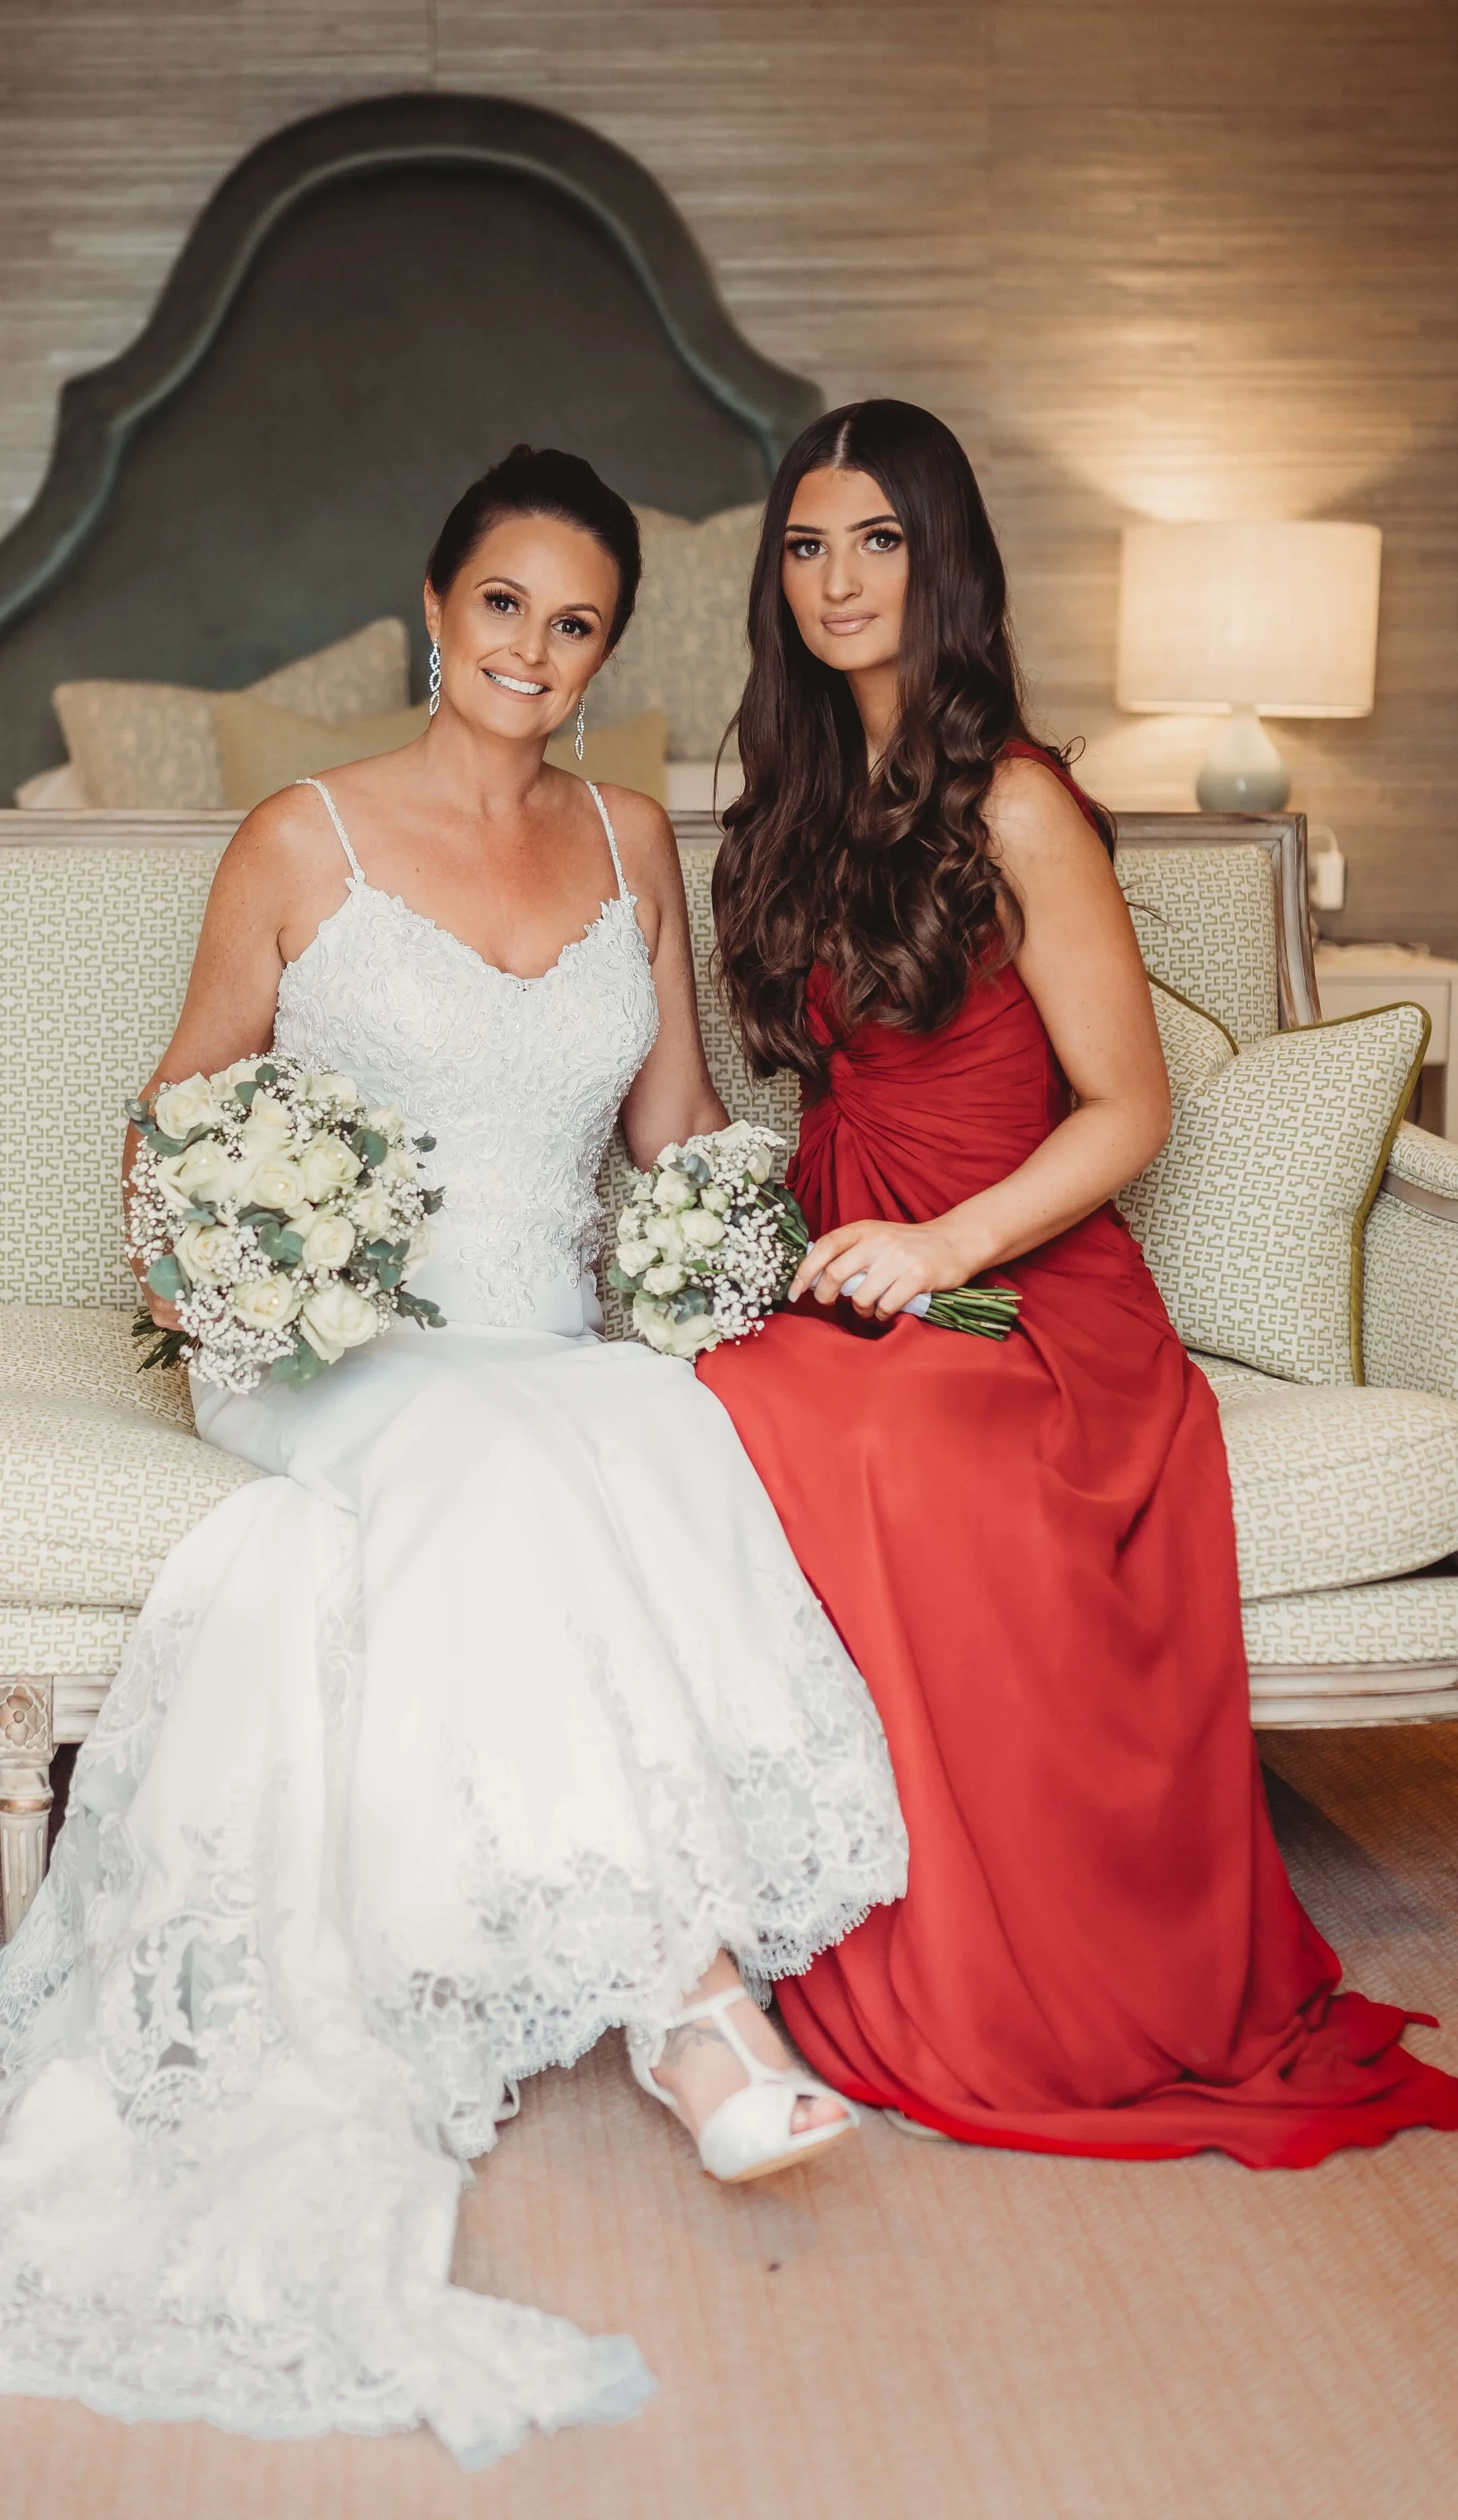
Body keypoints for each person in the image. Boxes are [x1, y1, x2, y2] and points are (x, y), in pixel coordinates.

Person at [0, 447, 906, 2465]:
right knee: (498, 1447)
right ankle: (690, 2009)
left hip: (543, 1337)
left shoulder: (626, 842)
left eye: (574, 619)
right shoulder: (299, 840)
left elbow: (671, 1125)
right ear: (436, 609)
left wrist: (740, 1244)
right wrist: (244, 1257)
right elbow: (168, 1138)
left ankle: (699, 1975)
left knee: (648, 1416)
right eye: (500, 603)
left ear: (606, 651)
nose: (531, 647)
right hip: (332, 1350)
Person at [701, 396, 1458, 2167]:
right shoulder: (800, 799)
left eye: (875, 539)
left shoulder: (1017, 799)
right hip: (854, 1254)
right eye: (804, 545)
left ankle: (985, 1960)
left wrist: (941, 1246)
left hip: (1018, 1280)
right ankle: (797, 1911)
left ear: (942, 558)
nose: (835, 577)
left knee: (864, 1437)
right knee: (712, 1400)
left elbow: (1127, 1108)